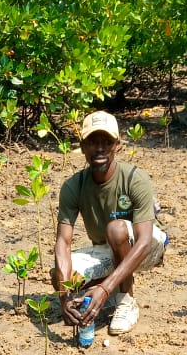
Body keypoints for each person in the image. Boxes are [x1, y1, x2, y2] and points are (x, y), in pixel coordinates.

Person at [53, 110, 168, 336]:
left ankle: (126, 300)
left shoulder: (135, 178)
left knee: (116, 229)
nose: (99, 148)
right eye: (93, 142)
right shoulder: (73, 186)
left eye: (106, 142)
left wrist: (105, 288)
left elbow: (144, 241)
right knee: (58, 276)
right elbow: (63, 243)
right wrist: (64, 296)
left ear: (117, 145)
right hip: (105, 249)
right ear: (82, 146)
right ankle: (103, 293)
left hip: (148, 246)